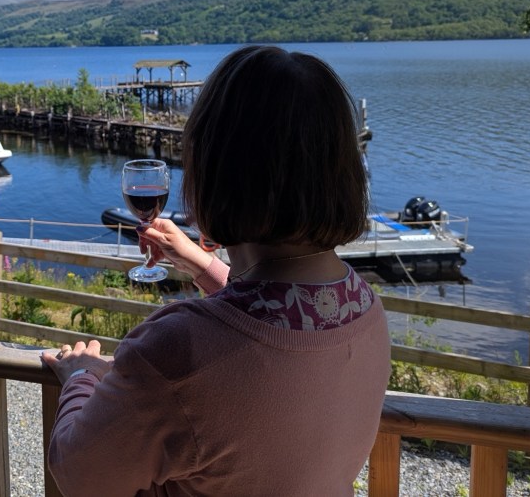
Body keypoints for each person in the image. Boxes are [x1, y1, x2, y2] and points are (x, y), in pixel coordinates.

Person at [41, 45, 391, 497]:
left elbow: (77, 472)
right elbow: (279, 323)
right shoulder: (365, 311)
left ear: (215, 170)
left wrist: (80, 377)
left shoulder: (178, 350)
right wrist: (204, 265)